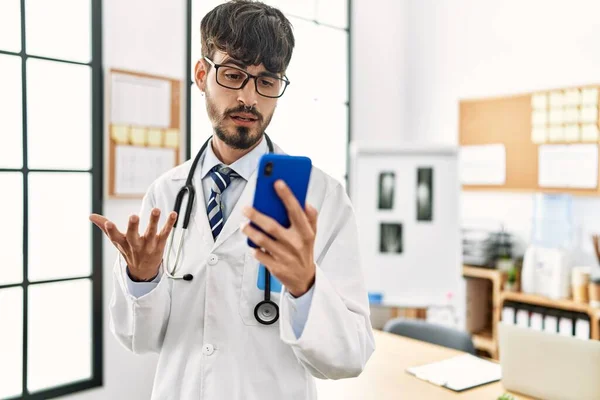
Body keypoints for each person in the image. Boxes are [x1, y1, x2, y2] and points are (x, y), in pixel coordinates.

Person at [90, 1, 374, 399]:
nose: (249, 98)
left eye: (267, 81)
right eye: (234, 74)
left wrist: (305, 286)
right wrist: (142, 280)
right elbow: (141, 341)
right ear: (202, 74)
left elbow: (351, 356)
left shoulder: (321, 198)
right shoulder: (166, 192)